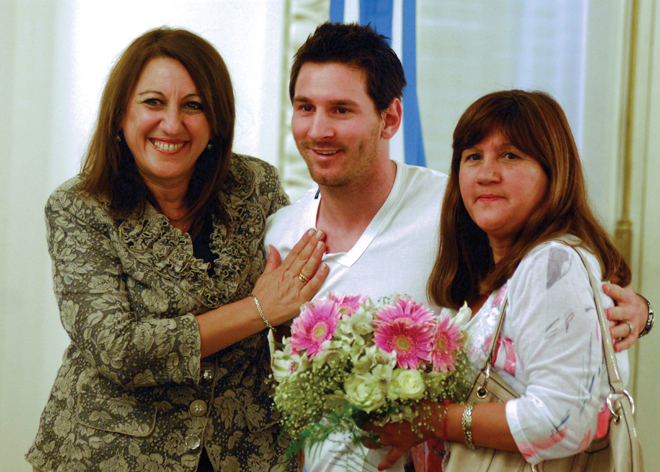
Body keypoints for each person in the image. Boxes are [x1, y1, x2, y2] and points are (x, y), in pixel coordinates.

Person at [265, 23, 651, 472]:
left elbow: (566, 313)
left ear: (390, 118)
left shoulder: (457, 210)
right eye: (305, 107)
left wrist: (635, 312)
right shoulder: (279, 234)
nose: (318, 129)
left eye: (341, 110)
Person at [26, 27, 329, 472]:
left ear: (215, 121)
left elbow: (298, 304)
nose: (172, 123)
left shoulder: (254, 186)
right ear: (120, 114)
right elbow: (119, 350)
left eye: (193, 106)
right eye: (153, 102)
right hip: (108, 454)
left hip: (245, 453)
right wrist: (256, 310)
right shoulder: (78, 208)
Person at [364, 90, 640, 470]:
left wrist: (431, 419)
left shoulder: (552, 263)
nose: (487, 173)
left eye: (511, 155)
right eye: (473, 156)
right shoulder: (495, 273)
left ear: (553, 170)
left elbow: (565, 420)